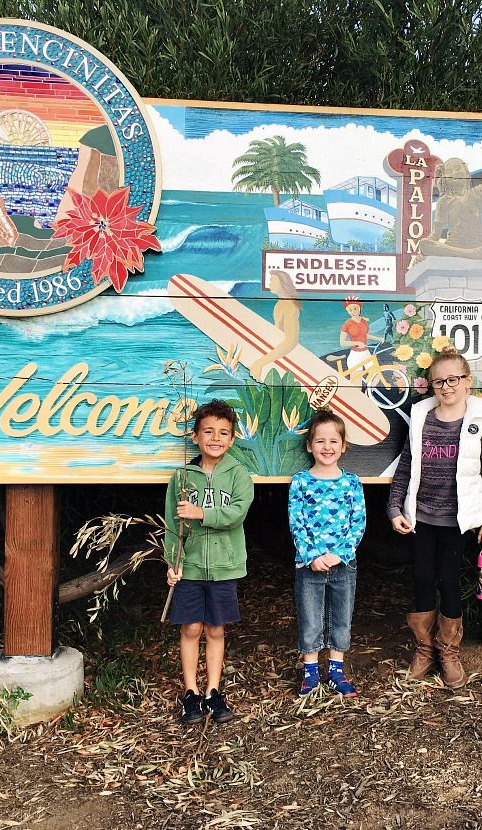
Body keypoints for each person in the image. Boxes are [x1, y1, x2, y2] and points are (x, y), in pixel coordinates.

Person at [387, 346, 482, 688]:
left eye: (453, 379)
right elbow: (406, 464)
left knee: (449, 582)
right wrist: (394, 507)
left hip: (457, 520)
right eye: (439, 381)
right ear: (431, 386)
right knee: (422, 580)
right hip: (421, 517)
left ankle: (448, 652)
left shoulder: (480, 421)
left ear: (468, 382)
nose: (446, 387)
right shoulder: (422, 416)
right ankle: (424, 650)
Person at [164, 399, 254, 725]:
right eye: (208, 432)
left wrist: (201, 512)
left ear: (232, 439)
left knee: (215, 628)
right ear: (196, 436)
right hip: (189, 566)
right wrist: (171, 562)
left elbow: (235, 514)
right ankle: (191, 693)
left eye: (223, 433)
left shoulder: (238, 474)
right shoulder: (183, 476)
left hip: (224, 565)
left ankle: (213, 691)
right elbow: (173, 525)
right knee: (190, 627)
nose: (215, 438)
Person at [288, 409, 366, 697]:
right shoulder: (300, 482)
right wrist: (312, 555)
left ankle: (336, 671)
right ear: (310, 446)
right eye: (320, 441)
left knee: (341, 617)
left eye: (334, 441)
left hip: (343, 564)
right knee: (310, 617)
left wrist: (341, 553)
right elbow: (297, 523)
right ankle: (310, 672)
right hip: (309, 564)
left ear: (343, 446)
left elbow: (358, 522)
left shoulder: (351, 482)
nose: (327, 447)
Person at [414, 133, 482, 321]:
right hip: (458, 247)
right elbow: (435, 235)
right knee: (424, 244)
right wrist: (420, 251)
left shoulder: (475, 194)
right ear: (450, 176)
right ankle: (473, 254)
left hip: (475, 245)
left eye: (463, 167)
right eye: (458, 168)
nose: (462, 171)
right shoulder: (443, 202)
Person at [250, 269, 302, 382]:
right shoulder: (280, 304)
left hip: (288, 358)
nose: (269, 283)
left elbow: (292, 340)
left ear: (283, 283)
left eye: (272, 280)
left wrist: (260, 363)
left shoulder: (289, 305)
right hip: (280, 356)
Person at [340, 295, 384, 371]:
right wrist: (357, 343)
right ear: (348, 311)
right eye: (350, 310)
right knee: (357, 382)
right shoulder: (347, 323)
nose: (353, 312)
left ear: (360, 308)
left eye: (355, 308)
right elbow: (342, 342)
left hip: (366, 353)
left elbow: (365, 335)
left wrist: (378, 339)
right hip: (355, 355)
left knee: (376, 376)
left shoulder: (363, 321)